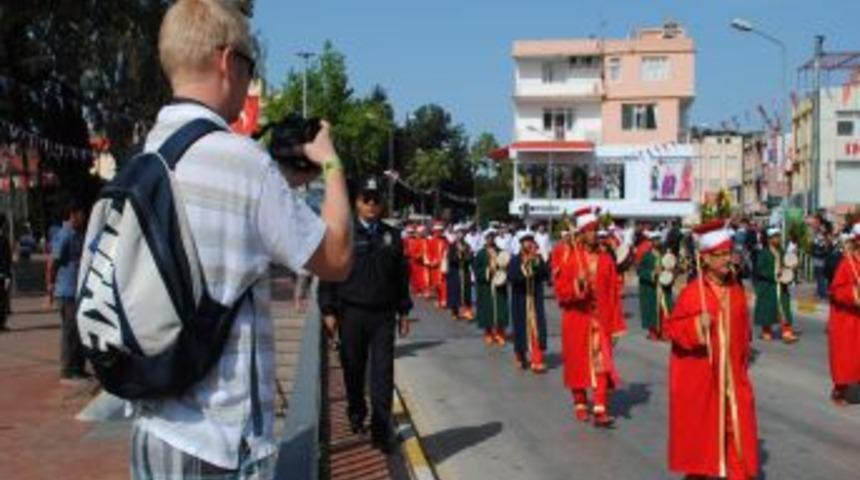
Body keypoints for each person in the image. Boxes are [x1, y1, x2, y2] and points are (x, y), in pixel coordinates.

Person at [131, 1, 352, 477]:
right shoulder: (242, 162)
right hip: (218, 442)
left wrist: (279, 184)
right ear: (228, 61)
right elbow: (336, 257)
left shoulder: (147, 155)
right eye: (251, 64)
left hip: (151, 430)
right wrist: (332, 164)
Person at [318, 177, 412, 453]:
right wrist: (328, 309)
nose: (371, 205)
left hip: (383, 315)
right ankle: (356, 411)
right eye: (366, 199)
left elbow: (400, 277)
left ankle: (381, 431)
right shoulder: (342, 233)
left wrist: (404, 310)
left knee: (383, 374)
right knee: (353, 370)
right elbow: (328, 272)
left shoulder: (391, 236)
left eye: (376, 200)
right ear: (356, 202)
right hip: (351, 313)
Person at [663, 219, 759, 480]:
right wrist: (696, 326)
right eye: (721, 255)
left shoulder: (736, 290)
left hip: (733, 379)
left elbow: (743, 333)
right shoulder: (693, 294)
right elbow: (672, 329)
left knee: (736, 433)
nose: (728, 259)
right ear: (705, 259)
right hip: (703, 379)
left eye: (729, 252)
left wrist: (742, 364)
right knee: (702, 439)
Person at [553, 207, 625, 427]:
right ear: (581, 233)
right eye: (590, 230)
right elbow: (561, 292)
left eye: (596, 230)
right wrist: (578, 285)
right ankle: (580, 402)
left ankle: (600, 407)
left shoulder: (606, 260)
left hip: (600, 321)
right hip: (577, 319)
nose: (594, 234)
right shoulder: (570, 258)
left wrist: (616, 325)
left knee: (601, 363)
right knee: (577, 362)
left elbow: (614, 293)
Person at [47, 201, 87, 382]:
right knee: (69, 332)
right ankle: (67, 369)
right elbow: (53, 263)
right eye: (81, 214)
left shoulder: (78, 235)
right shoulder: (64, 235)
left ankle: (78, 367)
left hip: (77, 291)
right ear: (73, 214)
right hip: (67, 291)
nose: (84, 218)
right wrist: (50, 285)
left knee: (78, 331)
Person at [827, 222, 860, 406]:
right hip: (848, 319)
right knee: (847, 356)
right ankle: (839, 390)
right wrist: (854, 293)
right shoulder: (847, 264)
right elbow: (836, 291)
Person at [508, 231, 548, 372]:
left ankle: (537, 359)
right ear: (521, 244)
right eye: (526, 241)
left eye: (531, 240)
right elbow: (512, 277)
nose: (529, 243)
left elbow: (545, 274)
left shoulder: (537, 258)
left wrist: (537, 262)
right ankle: (520, 355)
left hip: (535, 298)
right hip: (520, 299)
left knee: (536, 328)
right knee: (521, 328)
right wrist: (524, 269)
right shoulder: (515, 260)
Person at [753, 228, 799, 344]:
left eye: (778, 236)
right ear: (769, 239)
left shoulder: (782, 252)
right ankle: (766, 330)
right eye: (774, 237)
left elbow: (787, 265)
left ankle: (787, 332)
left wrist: (791, 267)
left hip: (781, 286)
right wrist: (775, 273)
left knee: (785, 307)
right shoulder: (763, 253)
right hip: (768, 286)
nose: (777, 239)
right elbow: (760, 269)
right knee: (767, 309)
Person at [473, 228, 509, 346]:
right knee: (487, 310)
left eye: (492, 237)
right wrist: (488, 271)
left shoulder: (501, 252)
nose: (490, 239)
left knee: (500, 310)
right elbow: (476, 269)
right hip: (486, 287)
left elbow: (506, 266)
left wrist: (502, 271)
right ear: (485, 239)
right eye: (488, 237)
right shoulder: (481, 254)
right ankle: (488, 333)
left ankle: (500, 333)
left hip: (499, 285)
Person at [638, 230, 673, 341]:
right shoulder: (647, 256)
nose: (657, 242)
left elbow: (671, 268)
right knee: (652, 310)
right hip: (652, 288)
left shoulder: (665, 255)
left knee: (665, 310)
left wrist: (671, 272)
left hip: (664, 287)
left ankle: (665, 333)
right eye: (655, 240)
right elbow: (640, 271)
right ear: (651, 242)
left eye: (658, 239)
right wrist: (652, 273)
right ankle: (653, 332)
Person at [446, 225, 474, 320]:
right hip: (455, 271)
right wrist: (458, 256)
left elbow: (471, 257)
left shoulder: (467, 245)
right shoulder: (452, 246)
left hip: (464, 271)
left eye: (462, 232)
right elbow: (451, 258)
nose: (460, 234)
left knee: (466, 291)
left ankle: (467, 310)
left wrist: (466, 256)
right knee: (455, 291)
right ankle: (455, 311)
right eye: (458, 232)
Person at [426, 222, 448, 309]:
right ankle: (439, 300)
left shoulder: (445, 240)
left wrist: (443, 260)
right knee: (436, 284)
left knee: (443, 284)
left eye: (440, 231)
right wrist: (431, 261)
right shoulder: (431, 241)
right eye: (437, 231)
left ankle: (444, 300)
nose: (439, 232)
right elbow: (428, 252)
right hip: (434, 267)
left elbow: (447, 252)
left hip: (443, 265)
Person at [0, 218, 9, 331]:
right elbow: (7, 259)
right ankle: (1, 323)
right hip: (2, 273)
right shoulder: (3, 240)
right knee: (2, 299)